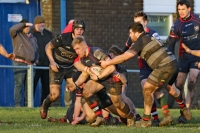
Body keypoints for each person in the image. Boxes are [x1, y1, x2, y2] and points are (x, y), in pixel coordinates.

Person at [100, 22, 192, 127]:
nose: (129, 36)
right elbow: (124, 53)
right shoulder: (149, 37)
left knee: (147, 89)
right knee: (169, 88)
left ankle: (146, 120)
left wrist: (107, 62)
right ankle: (179, 110)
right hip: (173, 63)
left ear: (136, 33)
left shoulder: (140, 41)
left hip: (164, 66)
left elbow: (125, 57)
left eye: (130, 33)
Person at [67, 36, 135, 127]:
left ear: (84, 45)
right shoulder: (82, 58)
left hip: (112, 79)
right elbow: (85, 74)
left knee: (118, 104)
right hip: (99, 80)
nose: (77, 51)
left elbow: (111, 67)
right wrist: (75, 85)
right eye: (75, 49)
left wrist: (99, 77)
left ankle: (131, 116)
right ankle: (99, 117)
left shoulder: (96, 52)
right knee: (86, 90)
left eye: (78, 48)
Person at [40, 20, 85, 119]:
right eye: (77, 29)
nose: (79, 31)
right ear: (73, 29)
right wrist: (52, 62)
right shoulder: (63, 38)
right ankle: (45, 104)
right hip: (57, 67)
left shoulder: (82, 42)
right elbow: (48, 47)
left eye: (81, 30)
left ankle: (71, 114)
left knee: (76, 89)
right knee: (55, 95)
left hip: (70, 68)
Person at [122, 11, 160, 126]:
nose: (136, 26)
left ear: (145, 22)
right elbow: (124, 50)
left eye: (139, 23)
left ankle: (167, 115)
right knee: (146, 90)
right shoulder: (132, 37)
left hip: (155, 66)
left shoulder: (153, 34)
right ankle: (155, 118)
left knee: (158, 92)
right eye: (135, 23)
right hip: (143, 67)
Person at [166, 0, 200, 109]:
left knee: (191, 82)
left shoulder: (197, 20)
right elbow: (171, 44)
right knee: (179, 84)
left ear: (189, 9)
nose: (181, 12)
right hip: (183, 57)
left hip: (197, 56)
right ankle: (183, 109)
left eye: (183, 9)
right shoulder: (176, 25)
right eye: (179, 9)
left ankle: (188, 110)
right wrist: (169, 58)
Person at [10, 19, 39, 107]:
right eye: (25, 26)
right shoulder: (17, 35)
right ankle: (17, 105)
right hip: (20, 63)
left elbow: (37, 51)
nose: (27, 28)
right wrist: (23, 24)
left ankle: (28, 106)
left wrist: (36, 61)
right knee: (19, 84)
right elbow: (12, 29)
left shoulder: (33, 37)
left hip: (31, 65)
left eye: (28, 26)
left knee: (29, 86)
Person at [31, 15, 53, 106]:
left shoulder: (49, 34)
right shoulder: (31, 34)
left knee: (46, 86)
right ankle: (28, 104)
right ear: (35, 24)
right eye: (40, 23)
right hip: (36, 64)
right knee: (32, 85)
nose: (42, 24)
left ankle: (44, 105)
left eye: (43, 23)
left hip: (46, 65)